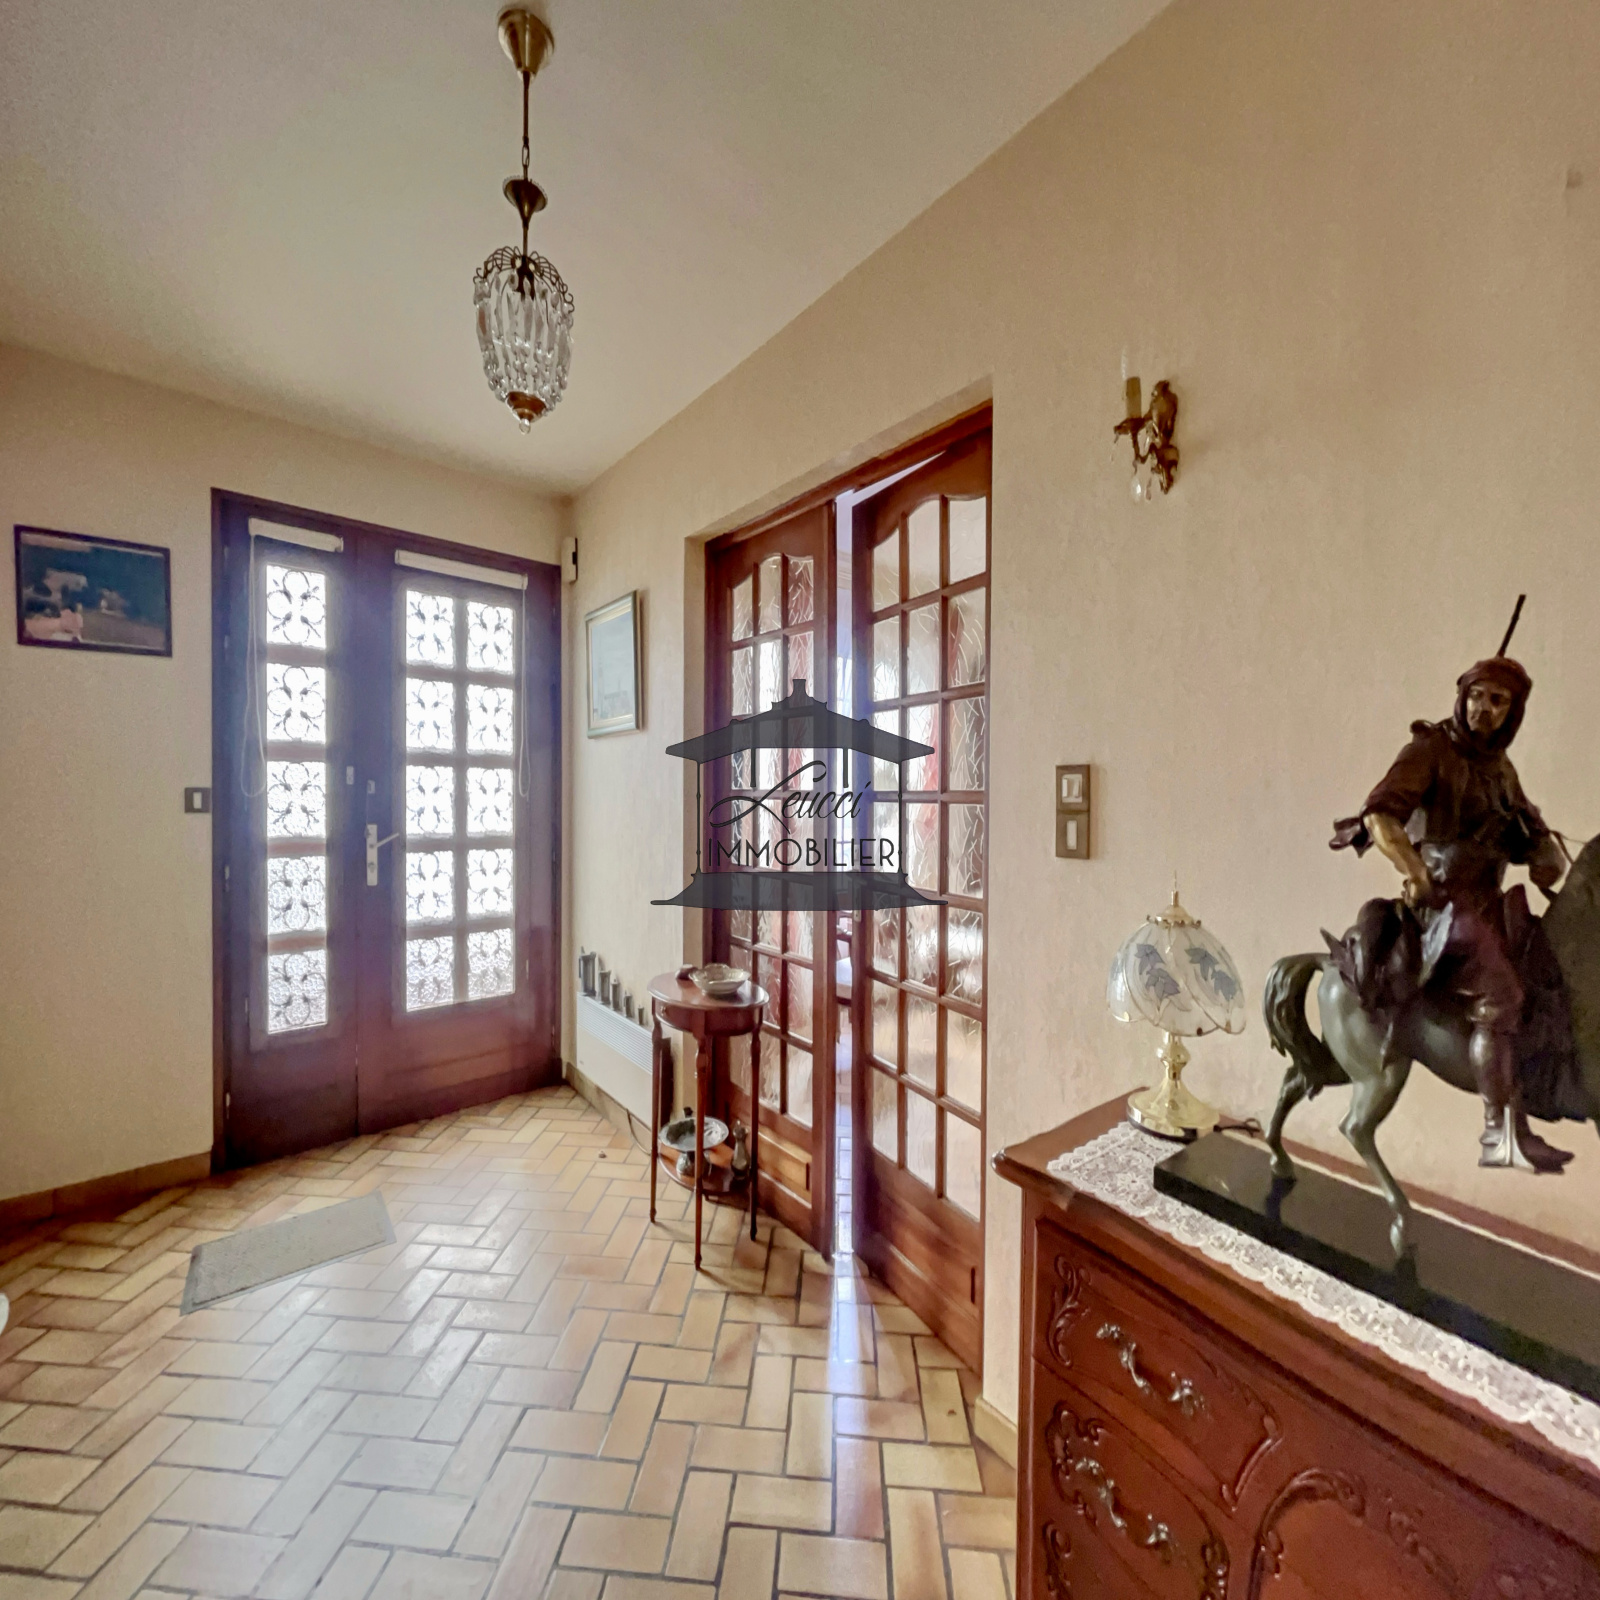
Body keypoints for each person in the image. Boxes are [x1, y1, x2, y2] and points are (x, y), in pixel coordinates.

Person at [1331, 653, 1570, 1170]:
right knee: (1503, 995)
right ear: (1462, 697)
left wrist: (1545, 855)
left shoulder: (1501, 769)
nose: (1484, 708)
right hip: (1442, 906)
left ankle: (1533, 1097)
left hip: (1491, 901)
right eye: (1476, 696)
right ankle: (1499, 1133)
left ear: (1512, 712)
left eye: (1497, 701)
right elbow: (1380, 815)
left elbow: (1531, 832)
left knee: (1551, 976)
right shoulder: (1430, 750)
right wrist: (1415, 871)